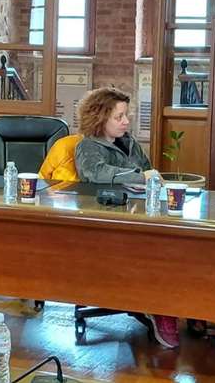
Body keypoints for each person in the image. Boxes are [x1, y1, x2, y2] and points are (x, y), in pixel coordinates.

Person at [74, 87, 179, 349]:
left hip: (139, 216)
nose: (126, 122)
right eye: (118, 117)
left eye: (126, 115)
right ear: (100, 118)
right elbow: (96, 173)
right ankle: (161, 311)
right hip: (106, 224)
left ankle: (174, 306)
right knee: (157, 253)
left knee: (175, 245)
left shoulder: (129, 142)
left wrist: (151, 180)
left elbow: (148, 172)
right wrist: (139, 177)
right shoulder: (88, 147)